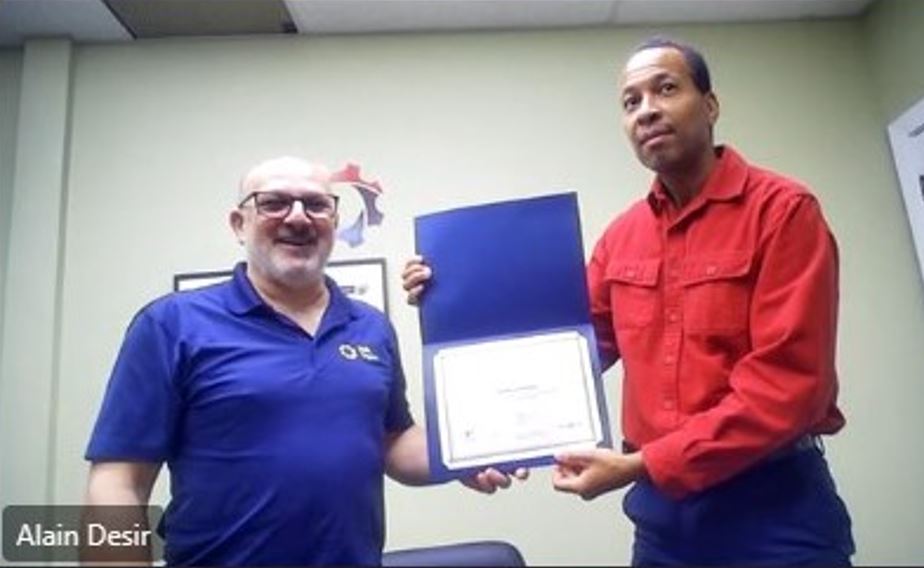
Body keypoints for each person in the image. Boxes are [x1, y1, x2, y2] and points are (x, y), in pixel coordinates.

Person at [403, 37, 854, 565]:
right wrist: (453, 300)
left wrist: (641, 465)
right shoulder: (623, 236)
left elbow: (788, 386)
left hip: (773, 511)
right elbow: (573, 346)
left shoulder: (782, 211)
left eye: (666, 89)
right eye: (631, 101)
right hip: (662, 523)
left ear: (709, 106)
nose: (648, 111)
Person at [85, 156, 520, 566]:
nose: (297, 217)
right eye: (273, 203)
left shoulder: (370, 327)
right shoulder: (171, 324)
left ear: (333, 221)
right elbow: (118, 483)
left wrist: (470, 449)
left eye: (316, 204)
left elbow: (392, 440)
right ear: (239, 223)